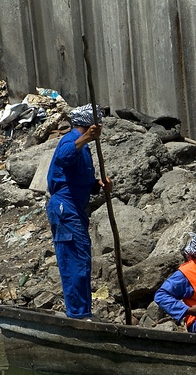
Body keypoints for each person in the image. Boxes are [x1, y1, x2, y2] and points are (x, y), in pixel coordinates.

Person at [46, 103, 111, 319]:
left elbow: (79, 178)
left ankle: (83, 311)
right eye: (98, 124)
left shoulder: (85, 150)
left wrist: (98, 184)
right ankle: (78, 313)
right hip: (65, 207)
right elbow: (64, 157)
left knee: (82, 259)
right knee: (74, 258)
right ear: (90, 125)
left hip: (76, 206)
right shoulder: (71, 140)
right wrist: (86, 137)